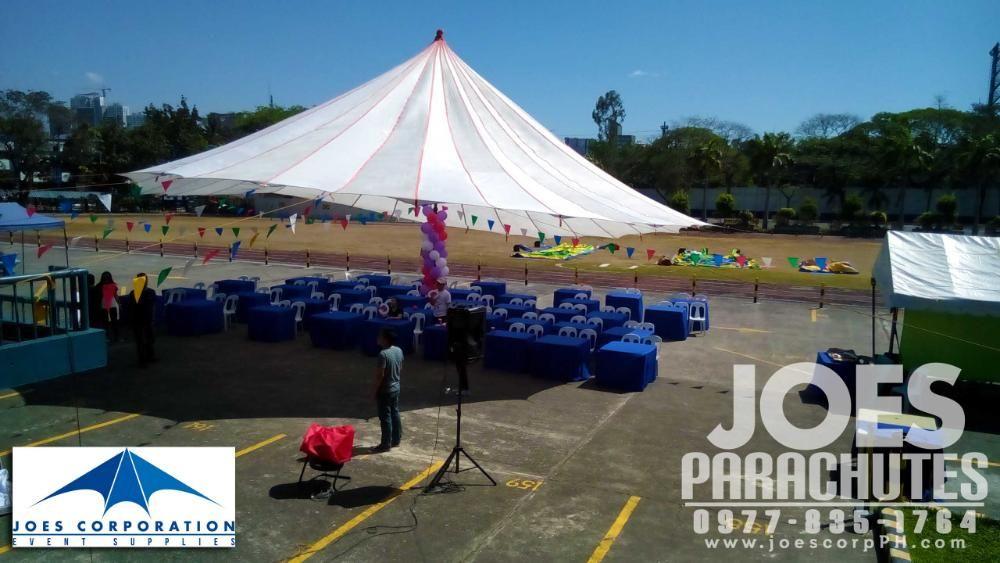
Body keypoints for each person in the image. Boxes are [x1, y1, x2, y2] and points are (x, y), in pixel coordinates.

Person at [372, 328, 403, 452]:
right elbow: (400, 367)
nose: (378, 338)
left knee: (385, 417)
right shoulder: (399, 350)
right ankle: (396, 439)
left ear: (385, 339)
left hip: (385, 390)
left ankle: (385, 443)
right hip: (396, 387)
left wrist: (374, 391)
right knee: (395, 412)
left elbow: (380, 375)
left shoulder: (383, 354)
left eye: (380, 336)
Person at [129, 273, 157, 367]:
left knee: (146, 339)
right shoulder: (148, 292)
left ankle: (148, 357)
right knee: (142, 340)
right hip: (142, 320)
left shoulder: (134, 293)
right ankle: (144, 359)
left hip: (142, 319)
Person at [96, 271, 120, 342]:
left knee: (106, 323)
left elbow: (99, 297)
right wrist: (119, 303)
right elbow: (116, 296)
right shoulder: (113, 285)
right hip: (111, 305)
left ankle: (107, 337)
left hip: (104, 305)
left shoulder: (99, 286)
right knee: (113, 322)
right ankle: (116, 337)